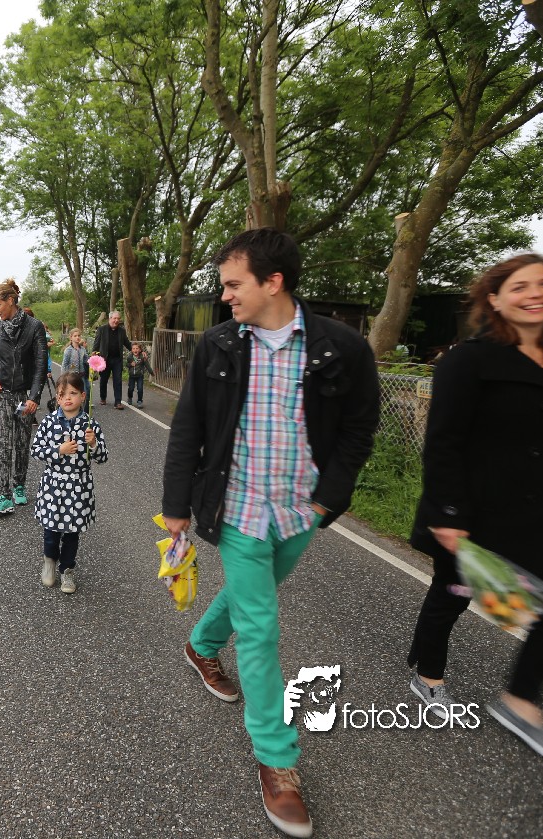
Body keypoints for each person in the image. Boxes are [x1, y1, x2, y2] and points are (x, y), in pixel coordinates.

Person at [161, 228, 380, 838]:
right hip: (236, 508)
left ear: (273, 281)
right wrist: (176, 505)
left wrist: (328, 498)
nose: (225, 295)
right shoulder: (218, 345)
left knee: (250, 597)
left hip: (300, 511)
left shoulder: (341, 347)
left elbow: (360, 426)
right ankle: (277, 760)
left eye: (234, 284)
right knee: (260, 627)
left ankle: (200, 645)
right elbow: (188, 426)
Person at [406, 253, 543, 774]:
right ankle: (427, 674)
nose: (535, 293)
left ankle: (520, 700)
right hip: (477, 513)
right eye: (520, 286)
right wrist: (447, 513)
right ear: (495, 299)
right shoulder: (469, 361)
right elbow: (443, 443)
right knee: (453, 595)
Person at [31, 371, 107, 594]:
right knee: (51, 531)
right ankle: (49, 561)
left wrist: (94, 445)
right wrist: (58, 450)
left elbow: (103, 457)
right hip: (53, 486)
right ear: (57, 397)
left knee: (72, 533)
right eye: (62, 394)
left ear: (83, 396)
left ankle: (67, 570)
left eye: (73, 393)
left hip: (79, 487)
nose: (67, 398)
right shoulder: (49, 422)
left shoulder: (90, 425)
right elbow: (36, 450)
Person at [0, 279, 48, 514]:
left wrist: (34, 397)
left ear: (11, 300)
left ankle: (19, 485)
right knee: (4, 444)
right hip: (1, 395)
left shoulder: (34, 326)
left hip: (23, 397)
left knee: (22, 443)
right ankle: (4, 494)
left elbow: (40, 364)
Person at [91, 311, 130, 409]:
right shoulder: (102, 329)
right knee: (104, 380)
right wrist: (93, 353)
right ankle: (103, 398)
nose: (116, 320)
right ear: (110, 318)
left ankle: (118, 402)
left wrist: (137, 351)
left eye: (118, 319)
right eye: (114, 318)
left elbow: (127, 343)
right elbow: (97, 342)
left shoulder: (122, 331)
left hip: (117, 360)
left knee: (118, 381)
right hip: (104, 360)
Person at [60, 328, 91, 412]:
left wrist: (93, 360)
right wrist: (63, 379)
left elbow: (86, 360)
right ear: (71, 338)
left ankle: (85, 413)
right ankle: (74, 412)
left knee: (86, 394)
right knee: (73, 394)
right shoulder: (68, 350)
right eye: (75, 336)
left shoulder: (83, 349)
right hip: (72, 376)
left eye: (79, 335)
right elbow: (64, 365)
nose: (77, 337)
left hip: (82, 375)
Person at [125, 341, 153, 408]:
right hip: (132, 375)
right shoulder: (129, 357)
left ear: (140, 350)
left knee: (140, 389)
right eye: (134, 348)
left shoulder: (142, 357)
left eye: (137, 348)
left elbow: (147, 365)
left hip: (140, 375)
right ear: (131, 350)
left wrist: (151, 372)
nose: (135, 350)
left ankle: (139, 401)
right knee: (131, 388)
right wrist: (130, 364)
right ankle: (130, 397)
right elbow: (126, 364)